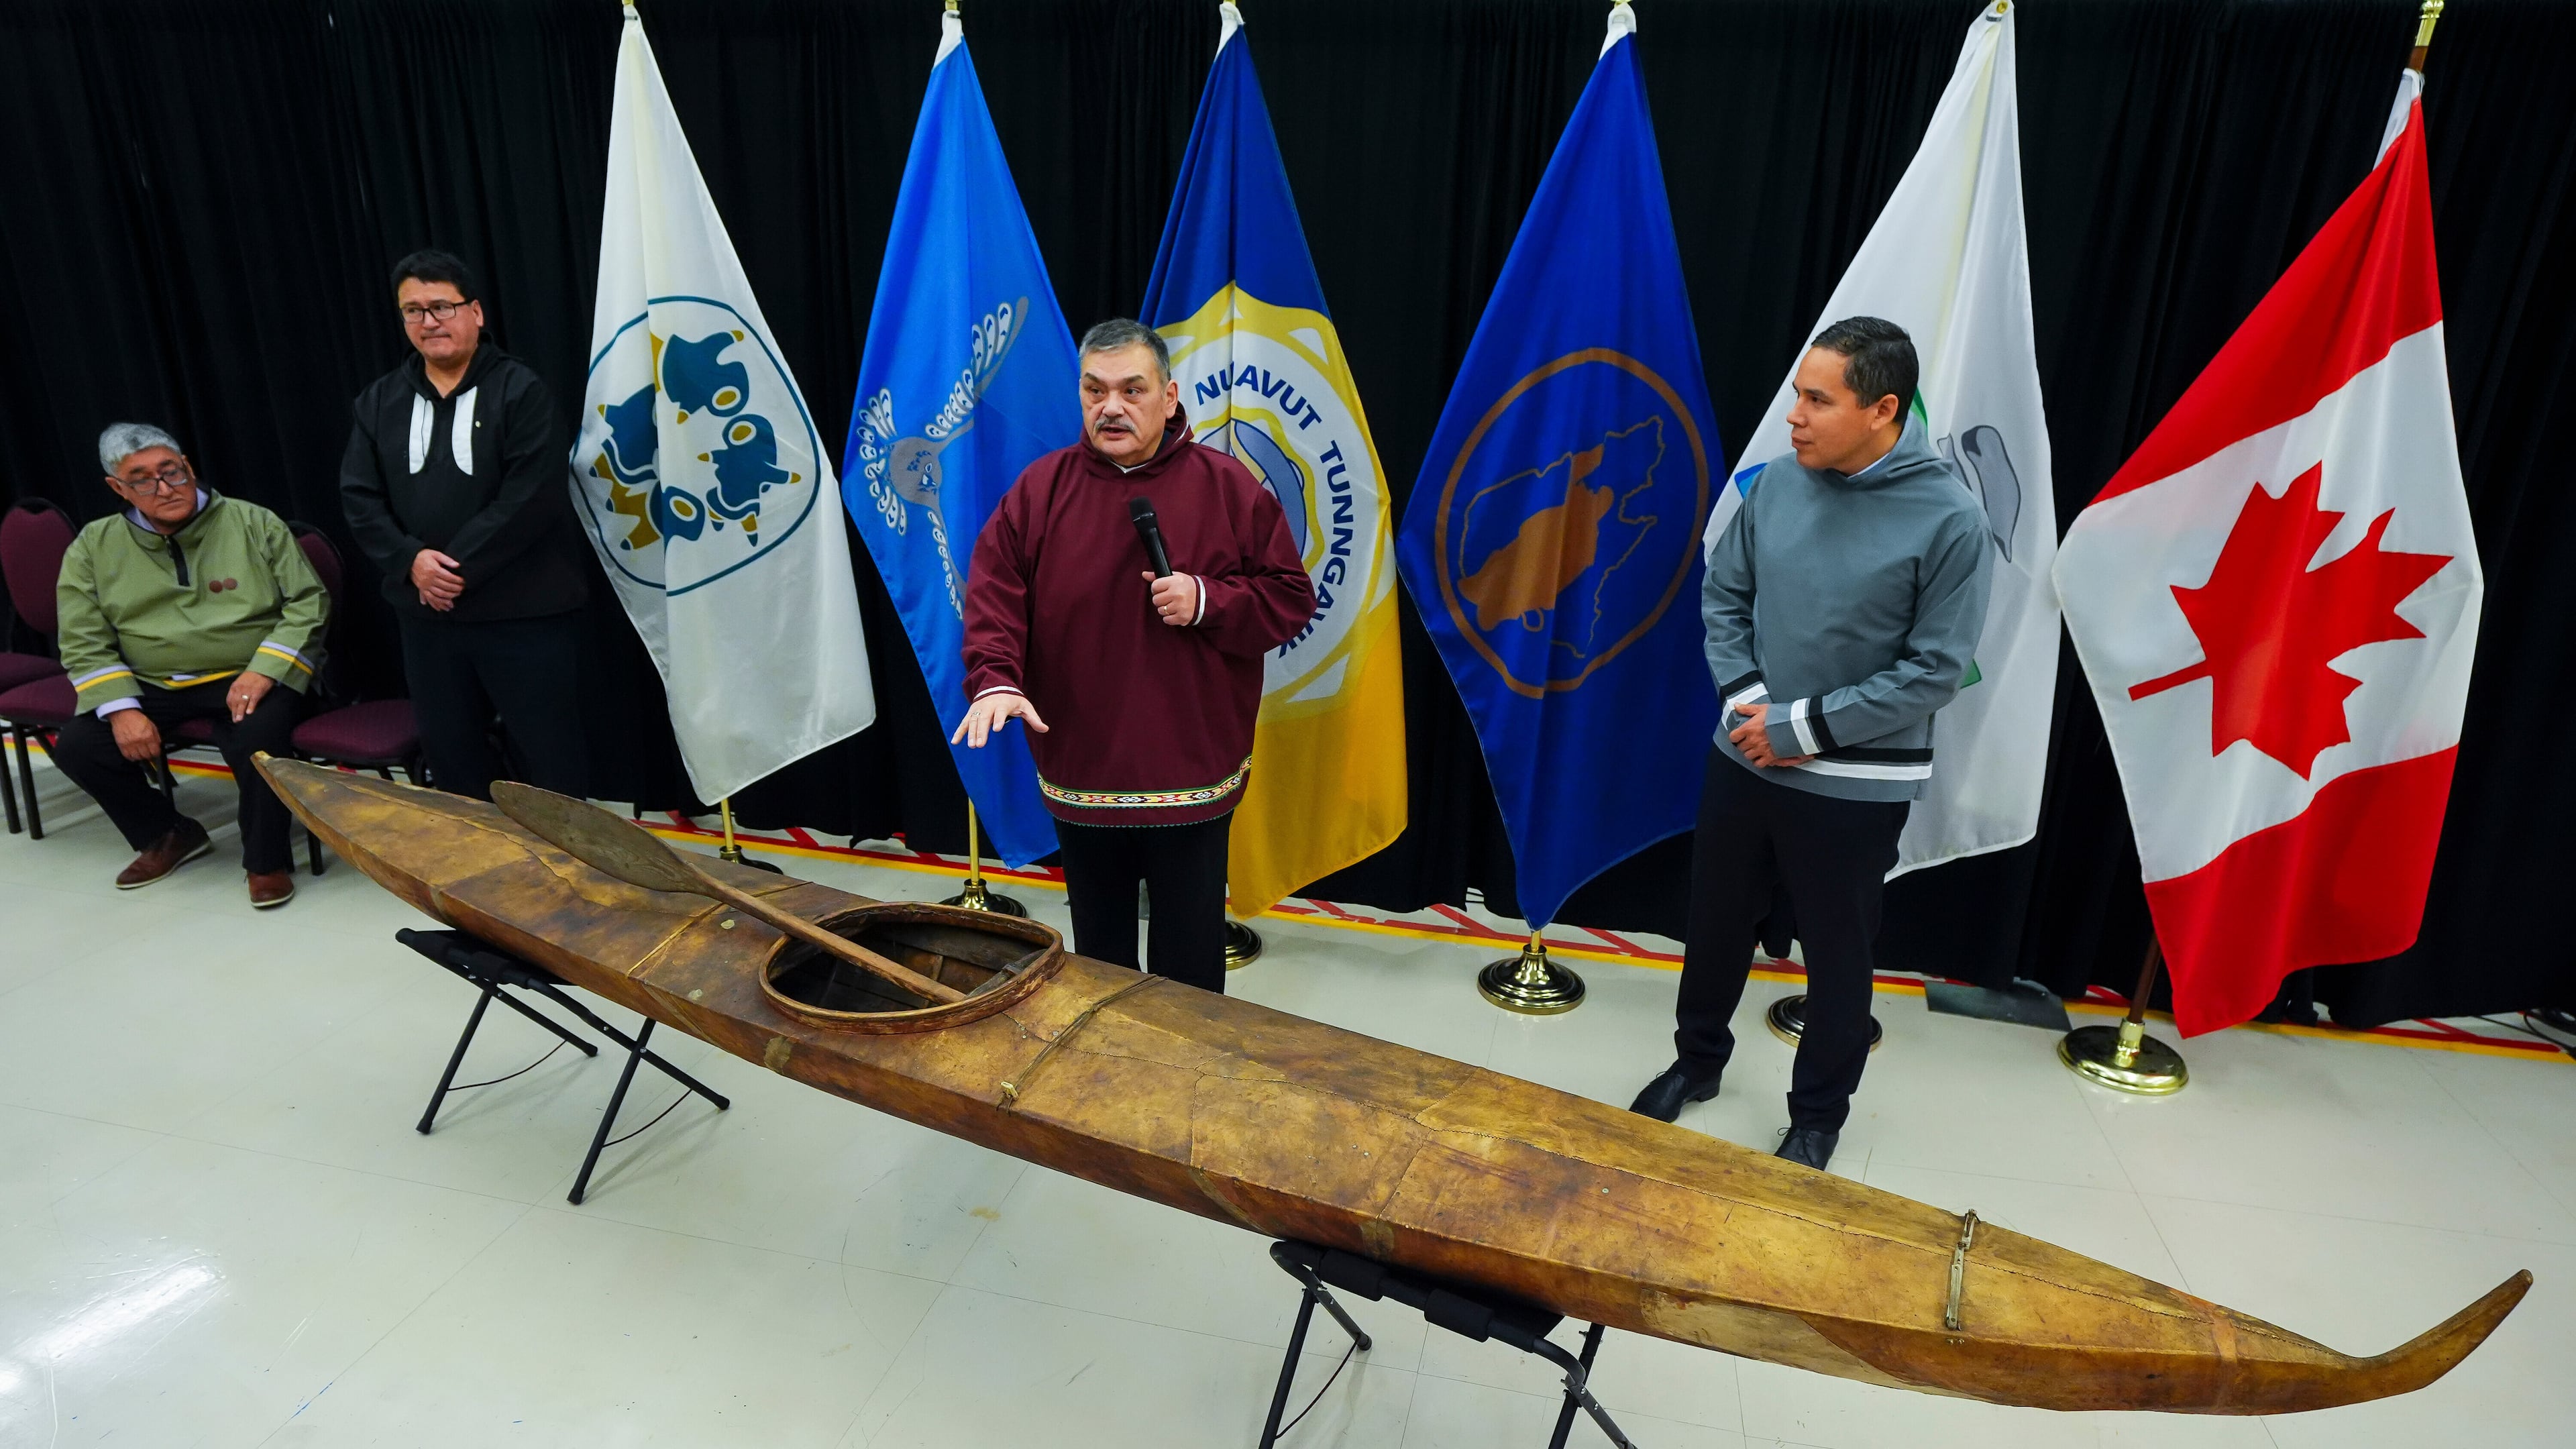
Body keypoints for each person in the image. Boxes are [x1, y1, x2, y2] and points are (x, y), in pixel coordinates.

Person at [1629, 317, 1992, 1172]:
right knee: (1714, 923)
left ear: (1882, 409)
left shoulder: (1951, 523)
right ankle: (1696, 1062)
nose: (1794, 415)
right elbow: (1724, 599)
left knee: (1839, 954)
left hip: (1854, 788)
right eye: (1798, 393)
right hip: (1745, 760)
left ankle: (1819, 1113)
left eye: (1817, 399)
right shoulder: (1778, 486)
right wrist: (1755, 712)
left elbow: (1935, 672)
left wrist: (1800, 729)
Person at [955, 319, 1315, 992]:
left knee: (1189, 961)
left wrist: (1207, 600)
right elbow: (994, 594)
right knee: (1099, 959)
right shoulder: (1040, 490)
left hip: (1191, 772)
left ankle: (1189, 1084)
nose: (1110, 407)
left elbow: (1290, 599)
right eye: (1094, 390)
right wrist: (996, 677)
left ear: (1170, 396)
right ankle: (1104, 1083)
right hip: (1082, 770)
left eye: (1132, 390)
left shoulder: (1228, 487)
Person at [339, 249, 590, 801]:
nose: (429, 322)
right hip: (427, 618)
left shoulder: (522, 392)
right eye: (413, 311)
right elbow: (359, 497)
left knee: (549, 756)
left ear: (475, 312)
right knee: (452, 757)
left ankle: (575, 877)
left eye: (441, 307)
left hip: (525, 614)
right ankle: (480, 878)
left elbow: (530, 498)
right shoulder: (379, 401)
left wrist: (453, 570)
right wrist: (413, 563)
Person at [50, 423, 330, 906]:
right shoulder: (93, 545)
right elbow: (81, 636)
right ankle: (169, 835)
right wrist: (121, 708)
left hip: (248, 671)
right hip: (153, 680)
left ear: (189, 468)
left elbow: (309, 603)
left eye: (171, 471)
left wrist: (264, 670)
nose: (164, 488)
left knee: (259, 737)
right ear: (117, 488)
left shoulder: (252, 521)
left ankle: (266, 862)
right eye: (141, 479)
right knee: (78, 745)